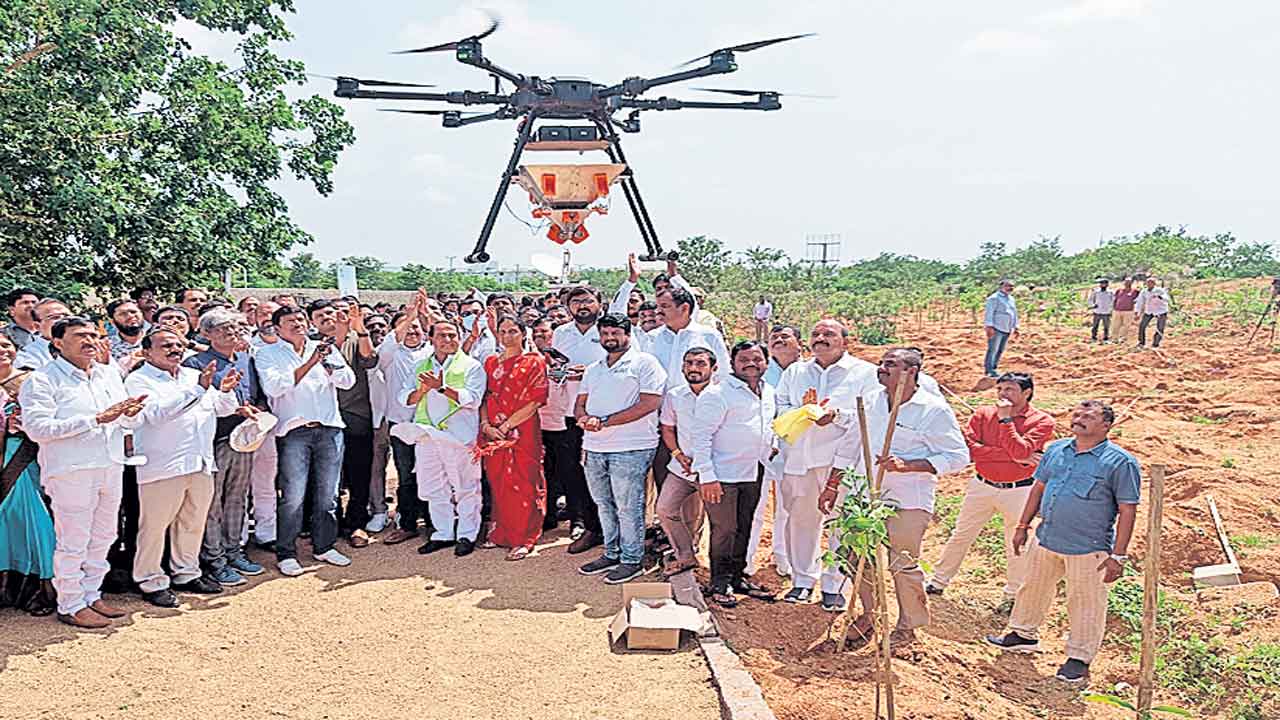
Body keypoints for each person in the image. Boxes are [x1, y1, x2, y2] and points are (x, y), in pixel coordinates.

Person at [823, 348, 970, 647]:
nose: (881, 369)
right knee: (854, 556)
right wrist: (832, 484)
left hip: (908, 500)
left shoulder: (932, 409)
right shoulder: (871, 401)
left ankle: (907, 627)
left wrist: (910, 465)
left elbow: (958, 457)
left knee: (902, 564)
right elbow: (851, 445)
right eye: (881, 363)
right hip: (866, 496)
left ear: (911, 371)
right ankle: (870, 614)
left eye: (890, 364)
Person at [987, 400, 1140, 684]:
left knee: (1085, 603)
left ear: (1106, 426)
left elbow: (1127, 509)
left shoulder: (1120, 462)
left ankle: (1079, 658)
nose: (1078, 419)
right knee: (1032, 587)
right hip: (1046, 537)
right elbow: (1039, 488)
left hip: (1089, 546)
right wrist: (1023, 525)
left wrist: (1118, 556)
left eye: (1088, 417)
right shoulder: (1056, 450)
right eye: (1077, 414)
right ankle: (1022, 633)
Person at [19, 317, 147, 628]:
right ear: (58, 342)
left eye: (93, 334)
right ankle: (70, 603)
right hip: (71, 470)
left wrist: (129, 416)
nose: (90, 340)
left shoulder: (107, 374)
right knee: (73, 539)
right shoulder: (42, 380)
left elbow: (122, 420)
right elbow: (37, 429)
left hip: (110, 463)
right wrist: (96, 419)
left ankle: (91, 594)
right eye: (80, 335)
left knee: (104, 535)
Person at [126, 328, 245, 607]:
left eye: (178, 345)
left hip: (200, 461)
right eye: (166, 345)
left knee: (192, 522)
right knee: (154, 527)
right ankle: (149, 579)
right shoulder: (138, 380)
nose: (174, 349)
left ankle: (186, 573)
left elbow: (222, 409)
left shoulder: (193, 376)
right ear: (147, 352)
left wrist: (225, 391)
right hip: (162, 464)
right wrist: (199, 390)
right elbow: (155, 415)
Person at [926, 372, 1055, 610]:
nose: (1003, 395)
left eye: (1010, 390)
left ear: (1027, 393)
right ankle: (938, 581)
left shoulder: (1042, 421)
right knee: (962, 534)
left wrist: (1006, 423)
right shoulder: (983, 414)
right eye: (1000, 389)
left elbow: (1020, 450)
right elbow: (970, 450)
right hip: (982, 484)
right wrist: (1016, 456)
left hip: (1020, 491)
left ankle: (1012, 595)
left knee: (1016, 542)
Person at [774, 319, 876, 608]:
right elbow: (779, 405)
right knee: (800, 521)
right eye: (815, 334)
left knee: (839, 524)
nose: (821, 338)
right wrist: (802, 411)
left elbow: (869, 414)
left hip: (840, 462)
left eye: (828, 334)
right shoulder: (796, 371)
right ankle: (802, 581)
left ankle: (835, 585)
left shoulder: (864, 373)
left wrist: (836, 414)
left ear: (846, 341)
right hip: (799, 459)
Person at [255, 305, 357, 577]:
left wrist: (327, 363)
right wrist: (311, 362)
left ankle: (324, 546)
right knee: (293, 496)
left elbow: (348, 381)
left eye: (300, 319)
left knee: (328, 494)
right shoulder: (267, 353)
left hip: (330, 428)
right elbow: (276, 387)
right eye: (290, 321)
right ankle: (286, 552)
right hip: (293, 432)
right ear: (277, 328)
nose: (298, 324)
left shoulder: (325, 349)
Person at [574, 313, 667, 585]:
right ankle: (611, 553)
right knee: (604, 504)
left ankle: (631, 559)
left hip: (632, 447)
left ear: (628, 334)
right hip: (594, 446)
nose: (610, 338)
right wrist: (583, 419)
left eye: (615, 333)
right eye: (605, 334)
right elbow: (580, 403)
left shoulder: (645, 363)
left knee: (628, 506)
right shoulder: (594, 368)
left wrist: (604, 421)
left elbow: (649, 403)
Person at [184, 308, 268, 586]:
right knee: (212, 503)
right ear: (205, 334)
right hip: (215, 441)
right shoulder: (196, 363)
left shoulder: (246, 359)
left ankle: (234, 551)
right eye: (222, 329)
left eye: (233, 327)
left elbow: (256, 394)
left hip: (244, 438)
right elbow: (200, 403)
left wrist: (255, 410)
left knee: (237, 499)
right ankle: (214, 559)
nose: (231, 332)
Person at [690, 341, 777, 607]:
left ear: (766, 361)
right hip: (722, 474)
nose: (751, 363)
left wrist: (770, 445)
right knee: (724, 529)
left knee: (745, 525)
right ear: (732, 362)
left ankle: (738, 577)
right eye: (744, 359)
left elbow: (765, 424)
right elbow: (701, 437)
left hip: (754, 469)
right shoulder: (717, 394)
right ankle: (719, 581)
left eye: (757, 359)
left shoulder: (768, 390)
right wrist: (707, 476)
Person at [399, 319, 487, 557]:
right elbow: (405, 397)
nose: (448, 340)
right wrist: (423, 390)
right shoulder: (420, 365)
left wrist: (441, 387)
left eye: (452, 335)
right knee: (433, 486)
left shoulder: (471, 365)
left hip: (459, 435)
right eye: (442, 336)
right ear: (432, 339)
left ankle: (467, 533)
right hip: (427, 434)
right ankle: (443, 532)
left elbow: (473, 398)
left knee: (465, 486)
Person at [478, 315, 549, 560]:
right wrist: (486, 425)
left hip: (522, 430)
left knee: (525, 482)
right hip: (493, 432)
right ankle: (501, 534)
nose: (507, 336)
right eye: (503, 331)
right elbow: (484, 396)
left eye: (513, 331)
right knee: (499, 482)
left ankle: (524, 538)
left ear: (523, 334)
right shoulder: (489, 363)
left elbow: (535, 400)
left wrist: (507, 425)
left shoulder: (534, 361)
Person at [0, 334, 56, 615]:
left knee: (34, 519)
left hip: (23, 458)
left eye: (5, 344)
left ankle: (36, 589)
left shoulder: (32, 380)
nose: (1, 351)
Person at [551, 286, 607, 553]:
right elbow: (555, 367)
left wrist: (590, 372)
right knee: (574, 471)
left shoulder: (609, 330)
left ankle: (611, 526)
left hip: (605, 413)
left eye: (588, 301)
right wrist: (562, 372)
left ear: (599, 303)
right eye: (576, 302)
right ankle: (585, 523)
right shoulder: (561, 333)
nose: (582, 306)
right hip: (571, 412)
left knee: (604, 472)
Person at [377, 298, 436, 545]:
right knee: (406, 475)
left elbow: (442, 332)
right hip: (401, 424)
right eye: (406, 327)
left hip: (430, 424)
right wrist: (410, 315)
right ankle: (408, 523)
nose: (412, 331)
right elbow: (395, 337)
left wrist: (425, 314)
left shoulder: (432, 351)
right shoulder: (389, 353)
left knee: (433, 474)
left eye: (416, 328)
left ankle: (436, 524)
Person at [745, 324, 802, 578]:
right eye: (774, 338)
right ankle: (747, 559)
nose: (779, 340)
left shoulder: (808, 372)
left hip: (798, 450)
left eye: (785, 336)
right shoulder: (759, 372)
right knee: (755, 507)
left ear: (800, 343)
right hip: (763, 450)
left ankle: (784, 556)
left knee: (787, 508)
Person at [655, 347, 716, 578]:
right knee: (665, 509)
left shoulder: (723, 395)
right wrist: (678, 454)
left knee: (719, 523)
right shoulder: (675, 395)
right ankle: (685, 556)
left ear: (714, 368)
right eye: (689, 363)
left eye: (700, 363)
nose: (693, 368)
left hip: (714, 471)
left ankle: (719, 571)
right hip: (682, 468)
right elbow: (668, 428)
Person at [324, 300, 379, 548]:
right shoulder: (310, 344)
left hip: (356, 415)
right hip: (322, 419)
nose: (337, 315)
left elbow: (369, 361)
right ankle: (327, 525)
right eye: (330, 312)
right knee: (328, 478)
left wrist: (358, 328)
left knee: (359, 473)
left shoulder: (358, 340)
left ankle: (356, 522)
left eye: (344, 311)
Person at [532, 318, 573, 532]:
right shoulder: (529, 359)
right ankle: (548, 516)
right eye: (536, 332)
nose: (540, 335)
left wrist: (553, 364)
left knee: (569, 473)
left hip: (562, 424)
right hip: (537, 424)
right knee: (545, 473)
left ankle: (577, 519)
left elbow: (560, 380)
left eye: (545, 332)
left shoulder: (562, 358)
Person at [363, 312, 392, 534]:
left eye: (382, 325)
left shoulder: (397, 351)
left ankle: (405, 512)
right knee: (375, 467)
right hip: (372, 418)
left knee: (407, 467)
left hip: (403, 416)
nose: (377, 330)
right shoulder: (361, 353)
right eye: (371, 326)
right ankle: (379, 510)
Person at [13, 298, 71, 371]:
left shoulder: (87, 345)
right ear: (37, 326)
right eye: (55, 317)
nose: (65, 320)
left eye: (67, 315)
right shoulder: (28, 356)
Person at [983, 279, 1019, 378]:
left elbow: (1014, 313)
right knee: (993, 349)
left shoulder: (1011, 299)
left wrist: (1016, 327)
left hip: (1007, 328)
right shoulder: (994, 298)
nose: (1010, 288)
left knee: (1000, 350)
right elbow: (989, 313)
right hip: (996, 328)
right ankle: (989, 370)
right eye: (1008, 286)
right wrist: (989, 327)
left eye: (1012, 286)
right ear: (1001, 286)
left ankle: (994, 368)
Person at [1136, 277, 1171, 349]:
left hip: (1161, 311)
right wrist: (1137, 312)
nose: (1149, 284)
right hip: (1149, 311)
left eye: (1151, 282)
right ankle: (1141, 343)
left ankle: (1156, 344)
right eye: (1148, 282)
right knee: (1142, 326)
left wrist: (1160, 297)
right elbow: (1140, 302)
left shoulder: (1159, 290)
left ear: (1154, 283)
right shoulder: (1144, 291)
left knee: (1160, 327)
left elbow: (1167, 299)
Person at [1111, 278, 1140, 345]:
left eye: (1129, 282)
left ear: (1131, 283)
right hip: (1117, 310)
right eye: (1126, 282)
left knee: (1126, 326)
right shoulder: (1119, 290)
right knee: (1115, 325)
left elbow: (1140, 299)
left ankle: (1123, 339)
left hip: (1128, 311)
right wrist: (1113, 307)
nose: (1127, 284)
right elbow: (1115, 299)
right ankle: (1114, 339)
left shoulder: (1135, 291)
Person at [1086, 279, 1115, 343]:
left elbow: (1113, 301)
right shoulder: (1096, 292)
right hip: (1097, 311)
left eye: (1105, 283)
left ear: (1107, 284)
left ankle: (1106, 338)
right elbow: (1090, 300)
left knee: (1106, 326)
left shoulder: (1111, 292)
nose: (1103, 285)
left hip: (1106, 312)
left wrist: (1111, 310)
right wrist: (1093, 305)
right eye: (1102, 283)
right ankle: (1093, 338)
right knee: (1095, 326)